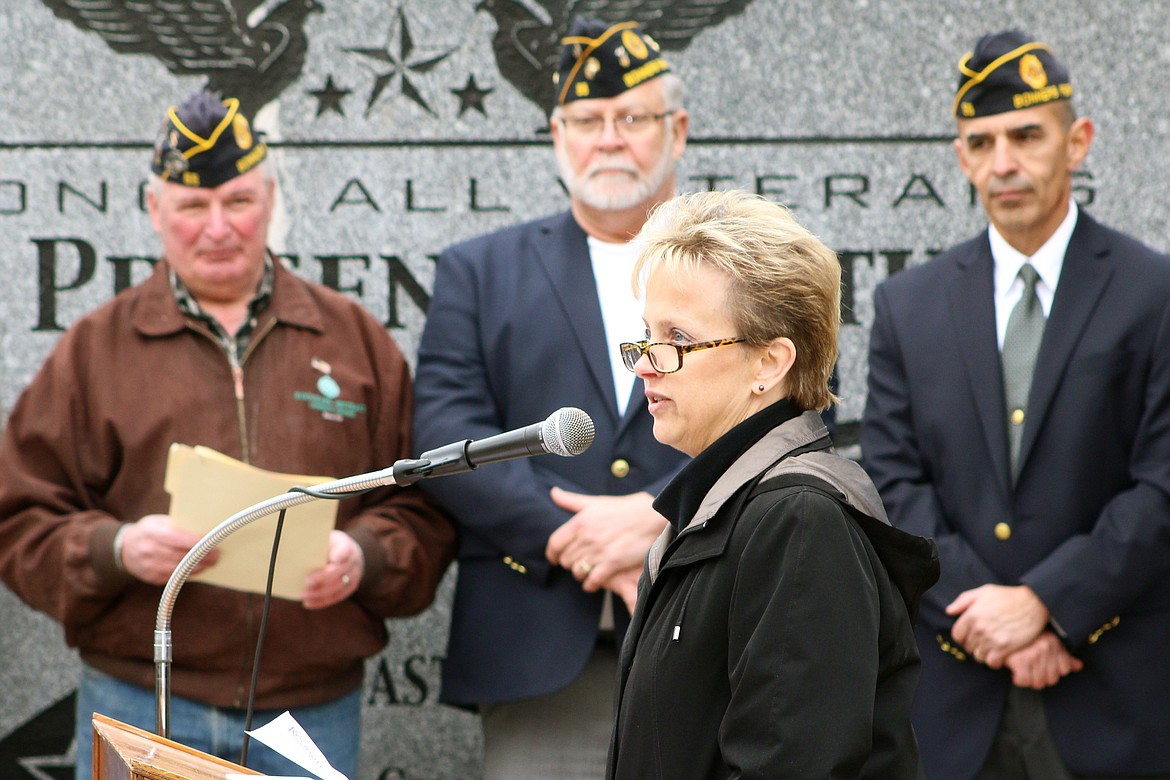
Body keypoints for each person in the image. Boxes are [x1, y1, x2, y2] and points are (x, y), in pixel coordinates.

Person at [0, 90, 456, 779]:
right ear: (155, 211)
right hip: (141, 699)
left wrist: (364, 555)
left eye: (238, 202)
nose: (218, 228)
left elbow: (423, 503)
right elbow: (19, 517)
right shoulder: (93, 350)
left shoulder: (355, 340)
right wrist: (116, 548)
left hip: (307, 712)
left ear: (272, 200)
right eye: (191, 207)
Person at [861, 29, 1170, 780]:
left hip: (1115, 691)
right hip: (952, 696)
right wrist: (991, 615)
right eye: (982, 141)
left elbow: (1163, 484)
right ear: (961, 157)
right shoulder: (909, 305)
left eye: (1027, 135)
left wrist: (1050, 605)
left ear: (1078, 140)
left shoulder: (1153, 292)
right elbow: (893, 486)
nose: (1005, 163)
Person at [412, 17, 690, 779]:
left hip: (711, 631)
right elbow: (448, 436)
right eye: (585, 121)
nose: (608, 139)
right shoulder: (479, 271)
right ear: (556, 135)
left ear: (679, 130)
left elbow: (788, 413)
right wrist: (582, 536)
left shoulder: (739, 266)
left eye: (631, 118)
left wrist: (660, 520)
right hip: (535, 647)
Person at [606, 189, 938, 779]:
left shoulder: (798, 521)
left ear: (770, 363)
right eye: (647, 333)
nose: (645, 364)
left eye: (678, 339)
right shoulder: (727, 509)